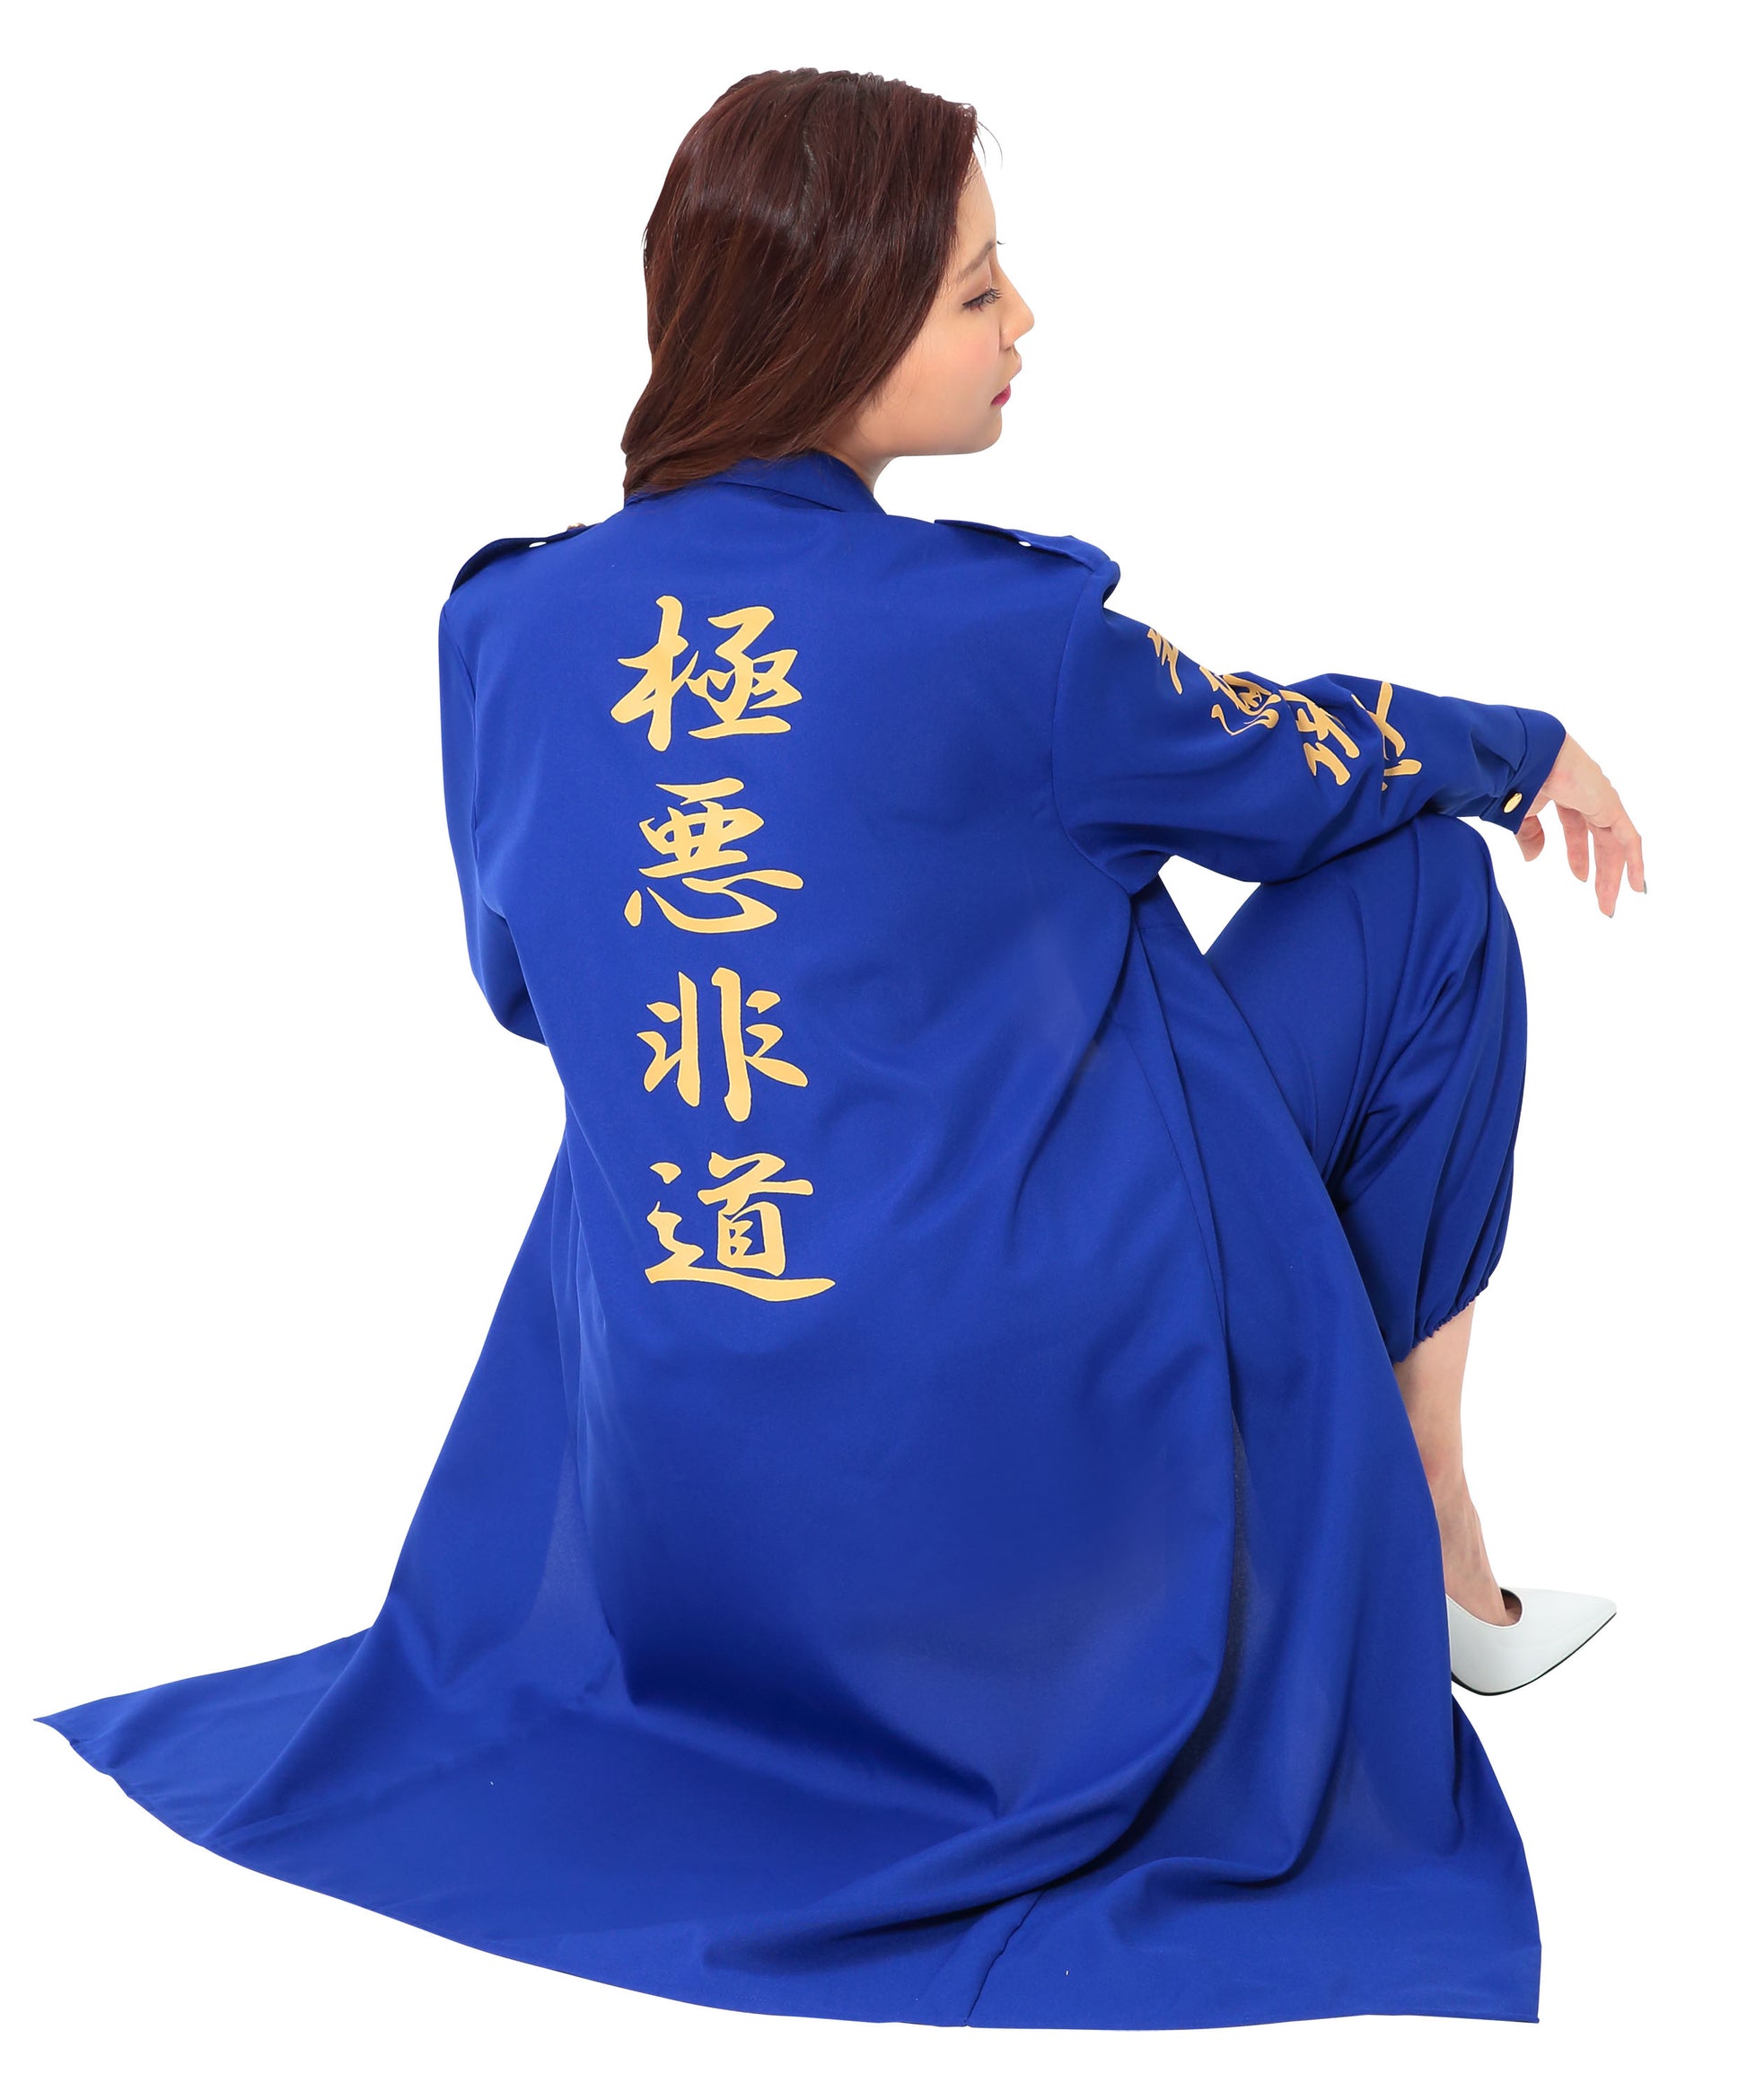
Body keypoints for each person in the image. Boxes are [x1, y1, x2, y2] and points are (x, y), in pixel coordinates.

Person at [36, 67, 1646, 2030]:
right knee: (1422, 885)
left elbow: (531, 986)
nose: (1025, 319)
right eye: (975, 290)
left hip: (681, 1435)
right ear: (835, 320)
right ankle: (1428, 1529)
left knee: (964, 973)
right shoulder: (1013, 643)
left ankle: (1389, 1520)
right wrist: (1512, 746)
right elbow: (1296, 771)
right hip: (1020, 1432)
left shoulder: (510, 627)